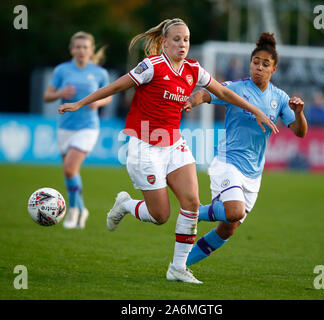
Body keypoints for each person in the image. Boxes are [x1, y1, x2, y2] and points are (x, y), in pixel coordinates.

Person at [58, 19, 277, 283]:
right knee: (160, 215)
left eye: (186, 39)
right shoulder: (152, 66)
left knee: (192, 203)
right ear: (164, 42)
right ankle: (126, 204)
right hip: (143, 145)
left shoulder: (193, 70)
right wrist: (80, 103)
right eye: (177, 39)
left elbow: (223, 92)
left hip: (173, 143)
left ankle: (177, 268)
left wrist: (255, 110)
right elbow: (117, 86)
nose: (183, 44)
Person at [183, 32, 308, 270]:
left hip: (253, 173)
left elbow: (300, 132)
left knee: (229, 227)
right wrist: (192, 101)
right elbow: (207, 93)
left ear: (274, 68)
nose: (259, 67)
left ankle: (180, 265)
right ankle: (191, 212)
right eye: (255, 62)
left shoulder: (280, 98)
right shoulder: (236, 89)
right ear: (250, 64)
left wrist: (299, 112)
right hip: (227, 161)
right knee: (234, 211)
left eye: (265, 64)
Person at [44, 31, 112, 229]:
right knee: (70, 173)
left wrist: (98, 102)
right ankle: (82, 208)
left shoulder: (100, 73)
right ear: (72, 49)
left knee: (70, 168)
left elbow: (108, 95)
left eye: (85, 47)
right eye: (78, 47)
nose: (81, 50)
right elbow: (47, 96)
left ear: (91, 50)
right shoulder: (62, 70)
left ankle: (73, 211)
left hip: (88, 127)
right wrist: (60, 93)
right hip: (65, 127)